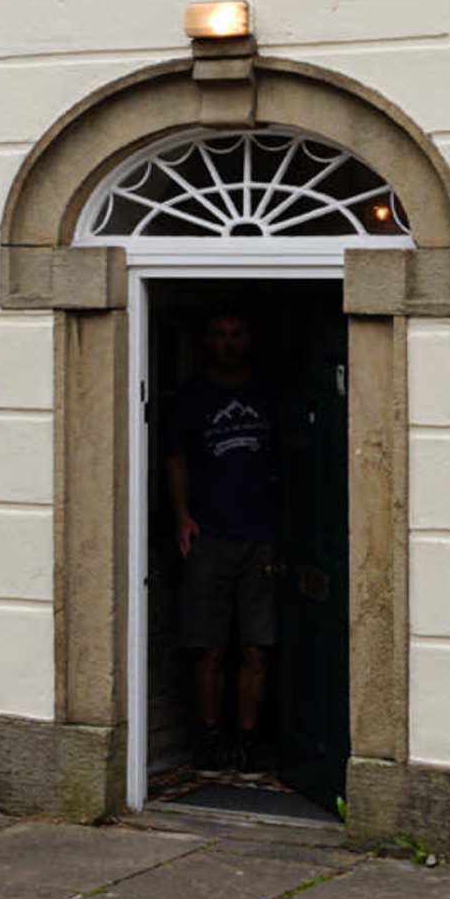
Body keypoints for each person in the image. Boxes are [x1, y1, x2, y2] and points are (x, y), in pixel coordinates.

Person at [166, 308, 280, 775]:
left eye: (236, 334)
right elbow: (175, 458)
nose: (228, 343)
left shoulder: (268, 393)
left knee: (257, 645)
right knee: (209, 645)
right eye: (220, 334)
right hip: (209, 534)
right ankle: (210, 739)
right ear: (207, 340)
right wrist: (181, 516)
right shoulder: (192, 397)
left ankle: (248, 740)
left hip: (261, 535)